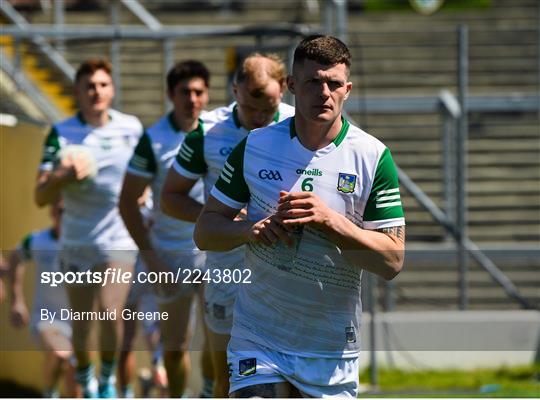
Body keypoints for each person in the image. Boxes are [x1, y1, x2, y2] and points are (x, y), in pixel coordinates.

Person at [193, 35, 406, 397]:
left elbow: (392, 260)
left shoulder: (372, 157)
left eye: (334, 84)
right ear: (292, 85)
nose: (324, 92)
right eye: (312, 82)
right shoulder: (256, 146)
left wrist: (330, 221)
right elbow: (205, 231)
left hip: (329, 346)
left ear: (348, 89)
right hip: (258, 337)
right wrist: (250, 229)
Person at [160, 52, 295, 397]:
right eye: (252, 108)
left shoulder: (302, 127)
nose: (261, 118)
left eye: (268, 108)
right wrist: (216, 218)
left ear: (283, 88)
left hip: (286, 271)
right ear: (236, 91)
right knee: (228, 378)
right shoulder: (206, 132)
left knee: (289, 380)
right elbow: (170, 197)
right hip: (227, 270)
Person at [34, 58, 143, 398]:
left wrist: (144, 195)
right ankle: (85, 378)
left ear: (112, 90)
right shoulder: (60, 134)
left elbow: (144, 176)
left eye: (102, 85)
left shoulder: (132, 128)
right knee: (80, 327)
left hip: (118, 237)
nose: (96, 91)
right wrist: (63, 175)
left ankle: (107, 380)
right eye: (89, 86)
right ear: (78, 92)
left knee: (111, 313)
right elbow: (40, 195)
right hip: (77, 241)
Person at [118, 60, 212, 398]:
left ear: (207, 94)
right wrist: (153, 260)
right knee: (173, 349)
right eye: (185, 91)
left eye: (199, 91)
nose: (192, 99)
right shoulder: (153, 139)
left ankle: (208, 393)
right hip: (169, 259)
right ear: (171, 94)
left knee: (217, 345)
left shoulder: (218, 133)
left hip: (214, 256)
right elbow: (127, 202)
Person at [6, 198, 80, 398]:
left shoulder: (83, 244)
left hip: (79, 324)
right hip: (47, 319)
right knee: (59, 353)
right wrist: (17, 300)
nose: (63, 216)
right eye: (60, 210)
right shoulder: (38, 241)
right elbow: (15, 257)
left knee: (76, 381)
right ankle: (49, 393)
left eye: (68, 211)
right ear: (52, 211)